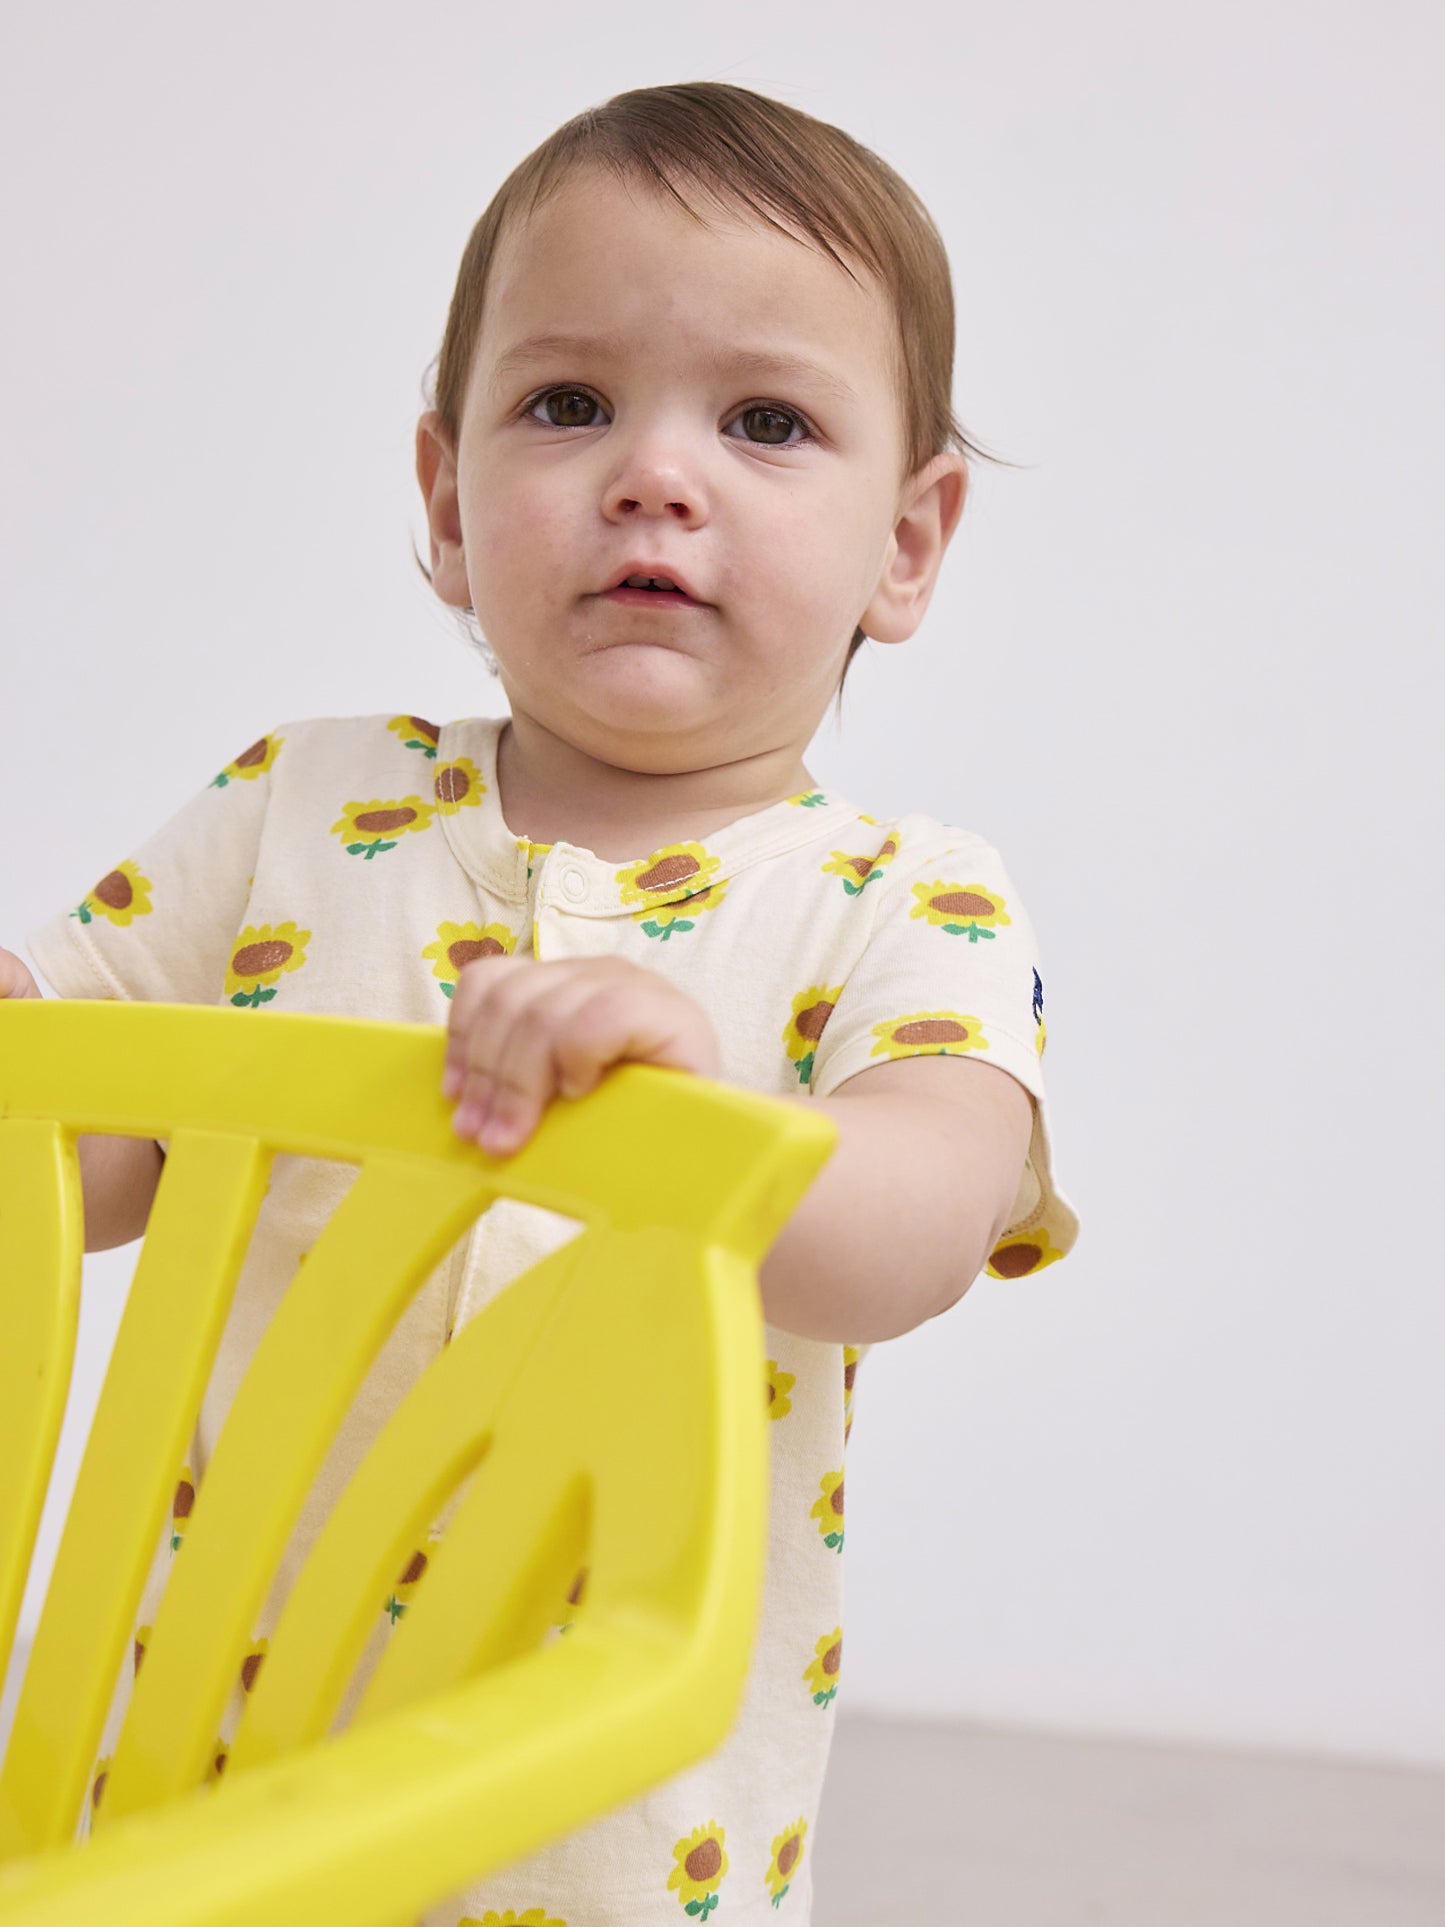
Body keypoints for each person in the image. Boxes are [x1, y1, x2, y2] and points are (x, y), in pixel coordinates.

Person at [2, 80, 1080, 1925]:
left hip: (603, 1812)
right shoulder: (299, 806)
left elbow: (924, 1215)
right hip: (213, 1753)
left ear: (906, 544)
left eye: (766, 421)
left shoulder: (898, 898)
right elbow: (75, 1145)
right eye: (567, 404)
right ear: (443, 499)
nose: (656, 474)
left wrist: (710, 1139)